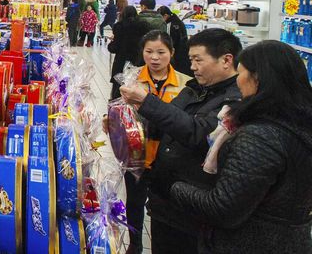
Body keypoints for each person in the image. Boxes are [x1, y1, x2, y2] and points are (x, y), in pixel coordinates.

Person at [169, 40, 312, 253]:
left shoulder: (260, 136)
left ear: (258, 78)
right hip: (292, 240)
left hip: (250, 242)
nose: (238, 80)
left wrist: (175, 187)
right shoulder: (299, 122)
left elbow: (223, 209)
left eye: (241, 72)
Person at [119, 28, 242, 254]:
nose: (193, 66)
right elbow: (165, 122)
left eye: (198, 60)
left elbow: (199, 133)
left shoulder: (233, 101)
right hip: (165, 203)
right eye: (190, 60)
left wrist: (147, 101)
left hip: (192, 211)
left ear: (226, 60)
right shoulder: (195, 89)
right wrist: (123, 122)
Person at [121, 31, 193, 254]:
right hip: (136, 156)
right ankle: (134, 244)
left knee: (164, 206)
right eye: (149, 51)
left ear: (171, 53)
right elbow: (118, 111)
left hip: (169, 159)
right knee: (134, 203)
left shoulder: (186, 84)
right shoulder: (130, 80)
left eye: (161, 52)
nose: (154, 58)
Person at [108, 6, 150, 99]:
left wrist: (111, 44)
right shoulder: (143, 26)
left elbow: (114, 47)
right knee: (135, 87)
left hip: (121, 61)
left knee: (118, 88)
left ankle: (116, 110)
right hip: (138, 61)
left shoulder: (119, 26)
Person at [158, 6, 191, 75]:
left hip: (177, 54)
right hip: (183, 52)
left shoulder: (170, 25)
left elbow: (169, 41)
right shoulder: (178, 21)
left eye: (161, 17)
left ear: (166, 15)